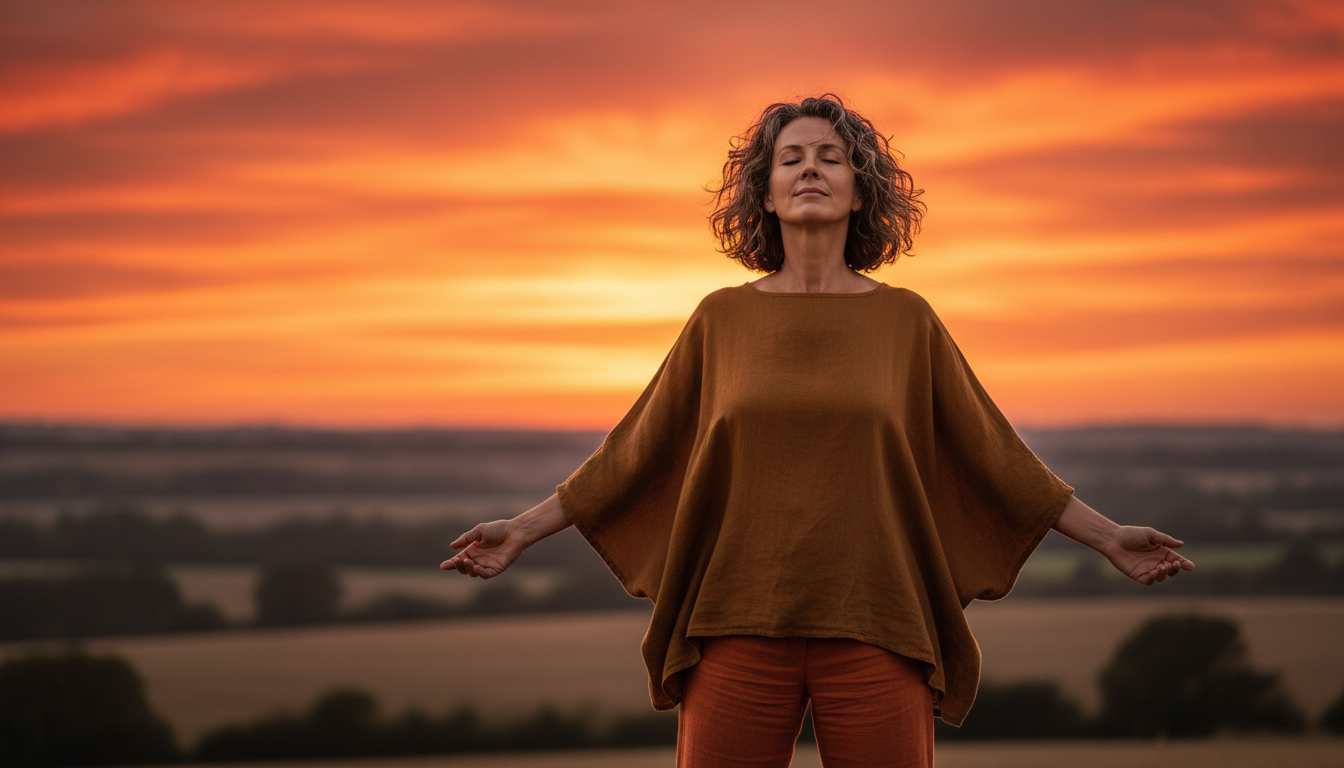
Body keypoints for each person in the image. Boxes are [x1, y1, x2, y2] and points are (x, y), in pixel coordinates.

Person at [441, 94, 1195, 768]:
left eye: (831, 158)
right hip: (733, 619)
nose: (810, 169)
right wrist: (522, 529)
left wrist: (1107, 537)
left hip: (878, 620)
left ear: (860, 190)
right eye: (791, 158)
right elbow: (632, 451)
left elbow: (995, 455)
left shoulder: (906, 321)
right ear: (763, 195)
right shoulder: (721, 319)